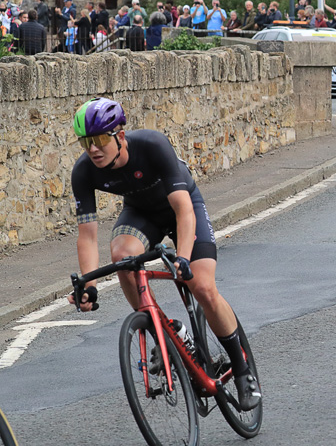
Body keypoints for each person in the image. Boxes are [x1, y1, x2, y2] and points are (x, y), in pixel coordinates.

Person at [68, 98, 261, 410]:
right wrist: (87, 285)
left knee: (202, 286)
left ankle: (241, 370)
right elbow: (87, 236)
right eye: (85, 142)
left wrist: (183, 258)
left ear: (120, 134)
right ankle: (166, 332)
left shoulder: (152, 145)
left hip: (182, 207)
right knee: (122, 257)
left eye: (100, 139)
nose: (93, 149)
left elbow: (184, 211)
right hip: (141, 213)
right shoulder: (84, 172)